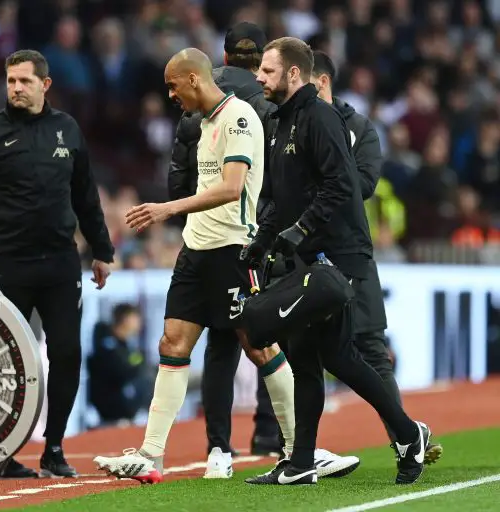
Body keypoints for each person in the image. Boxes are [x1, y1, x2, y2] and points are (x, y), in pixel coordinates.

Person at [167, 23, 357, 478]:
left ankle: (220, 450)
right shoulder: (268, 108)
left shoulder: (202, 101)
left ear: (225, 57)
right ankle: (288, 444)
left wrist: (179, 211)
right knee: (267, 339)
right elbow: (288, 181)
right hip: (261, 235)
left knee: (220, 345)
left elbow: (181, 169)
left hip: (220, 237)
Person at [243, 37, 431, 485]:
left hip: (338, 253)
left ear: (294, 74)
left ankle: (406, 434)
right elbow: (279, 198)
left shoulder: (320, 118)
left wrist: (301, 230)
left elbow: (342, 187)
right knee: (310, 357)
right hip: (307, 253)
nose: (259, 78)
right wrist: (263, 240)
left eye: (268, 71)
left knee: (336, 356)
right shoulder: (279, 122)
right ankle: (302, 461)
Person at [93, 47, 279, 483]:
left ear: (194, 79)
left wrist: (167, 209)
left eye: (173, 85)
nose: (170, 95)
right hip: (197, 250)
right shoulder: (204, 123)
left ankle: (297, 449)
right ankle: (151, 455)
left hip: (234, 250)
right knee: (172, 343)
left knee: (258, 346)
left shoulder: (238, 118)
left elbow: (232, 188)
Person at [0, 49, 114, 479]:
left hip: (61, 265)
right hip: (5, 268)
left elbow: (86, 196)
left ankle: (54, 448)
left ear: (45, 84)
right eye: (10, 81)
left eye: (24, 81)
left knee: (66, 355)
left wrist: (102, 250)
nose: (16, 88)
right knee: (2, 365)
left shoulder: (68, 130)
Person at [87, 304, 152, 425]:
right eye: (136, 318)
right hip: (112, 414)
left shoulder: (126, 347)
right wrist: (138, 363)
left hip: (127, 412)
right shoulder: (107, 345)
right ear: (126, 319)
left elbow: (134, 363)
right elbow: (121, 370)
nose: (139, 323)